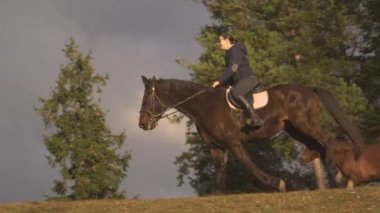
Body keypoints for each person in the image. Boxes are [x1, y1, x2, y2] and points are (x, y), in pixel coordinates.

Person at [212, 32, 262, 126]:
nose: (218, 43)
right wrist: (225, 84)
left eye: (219, 41)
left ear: (227, 40)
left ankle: (255, 117)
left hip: (248, 79)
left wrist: (220, 80)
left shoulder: (235, 50)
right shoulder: (229, 53)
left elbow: (233, 69)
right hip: (240, 81)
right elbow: (233, 74)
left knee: (236, 93)